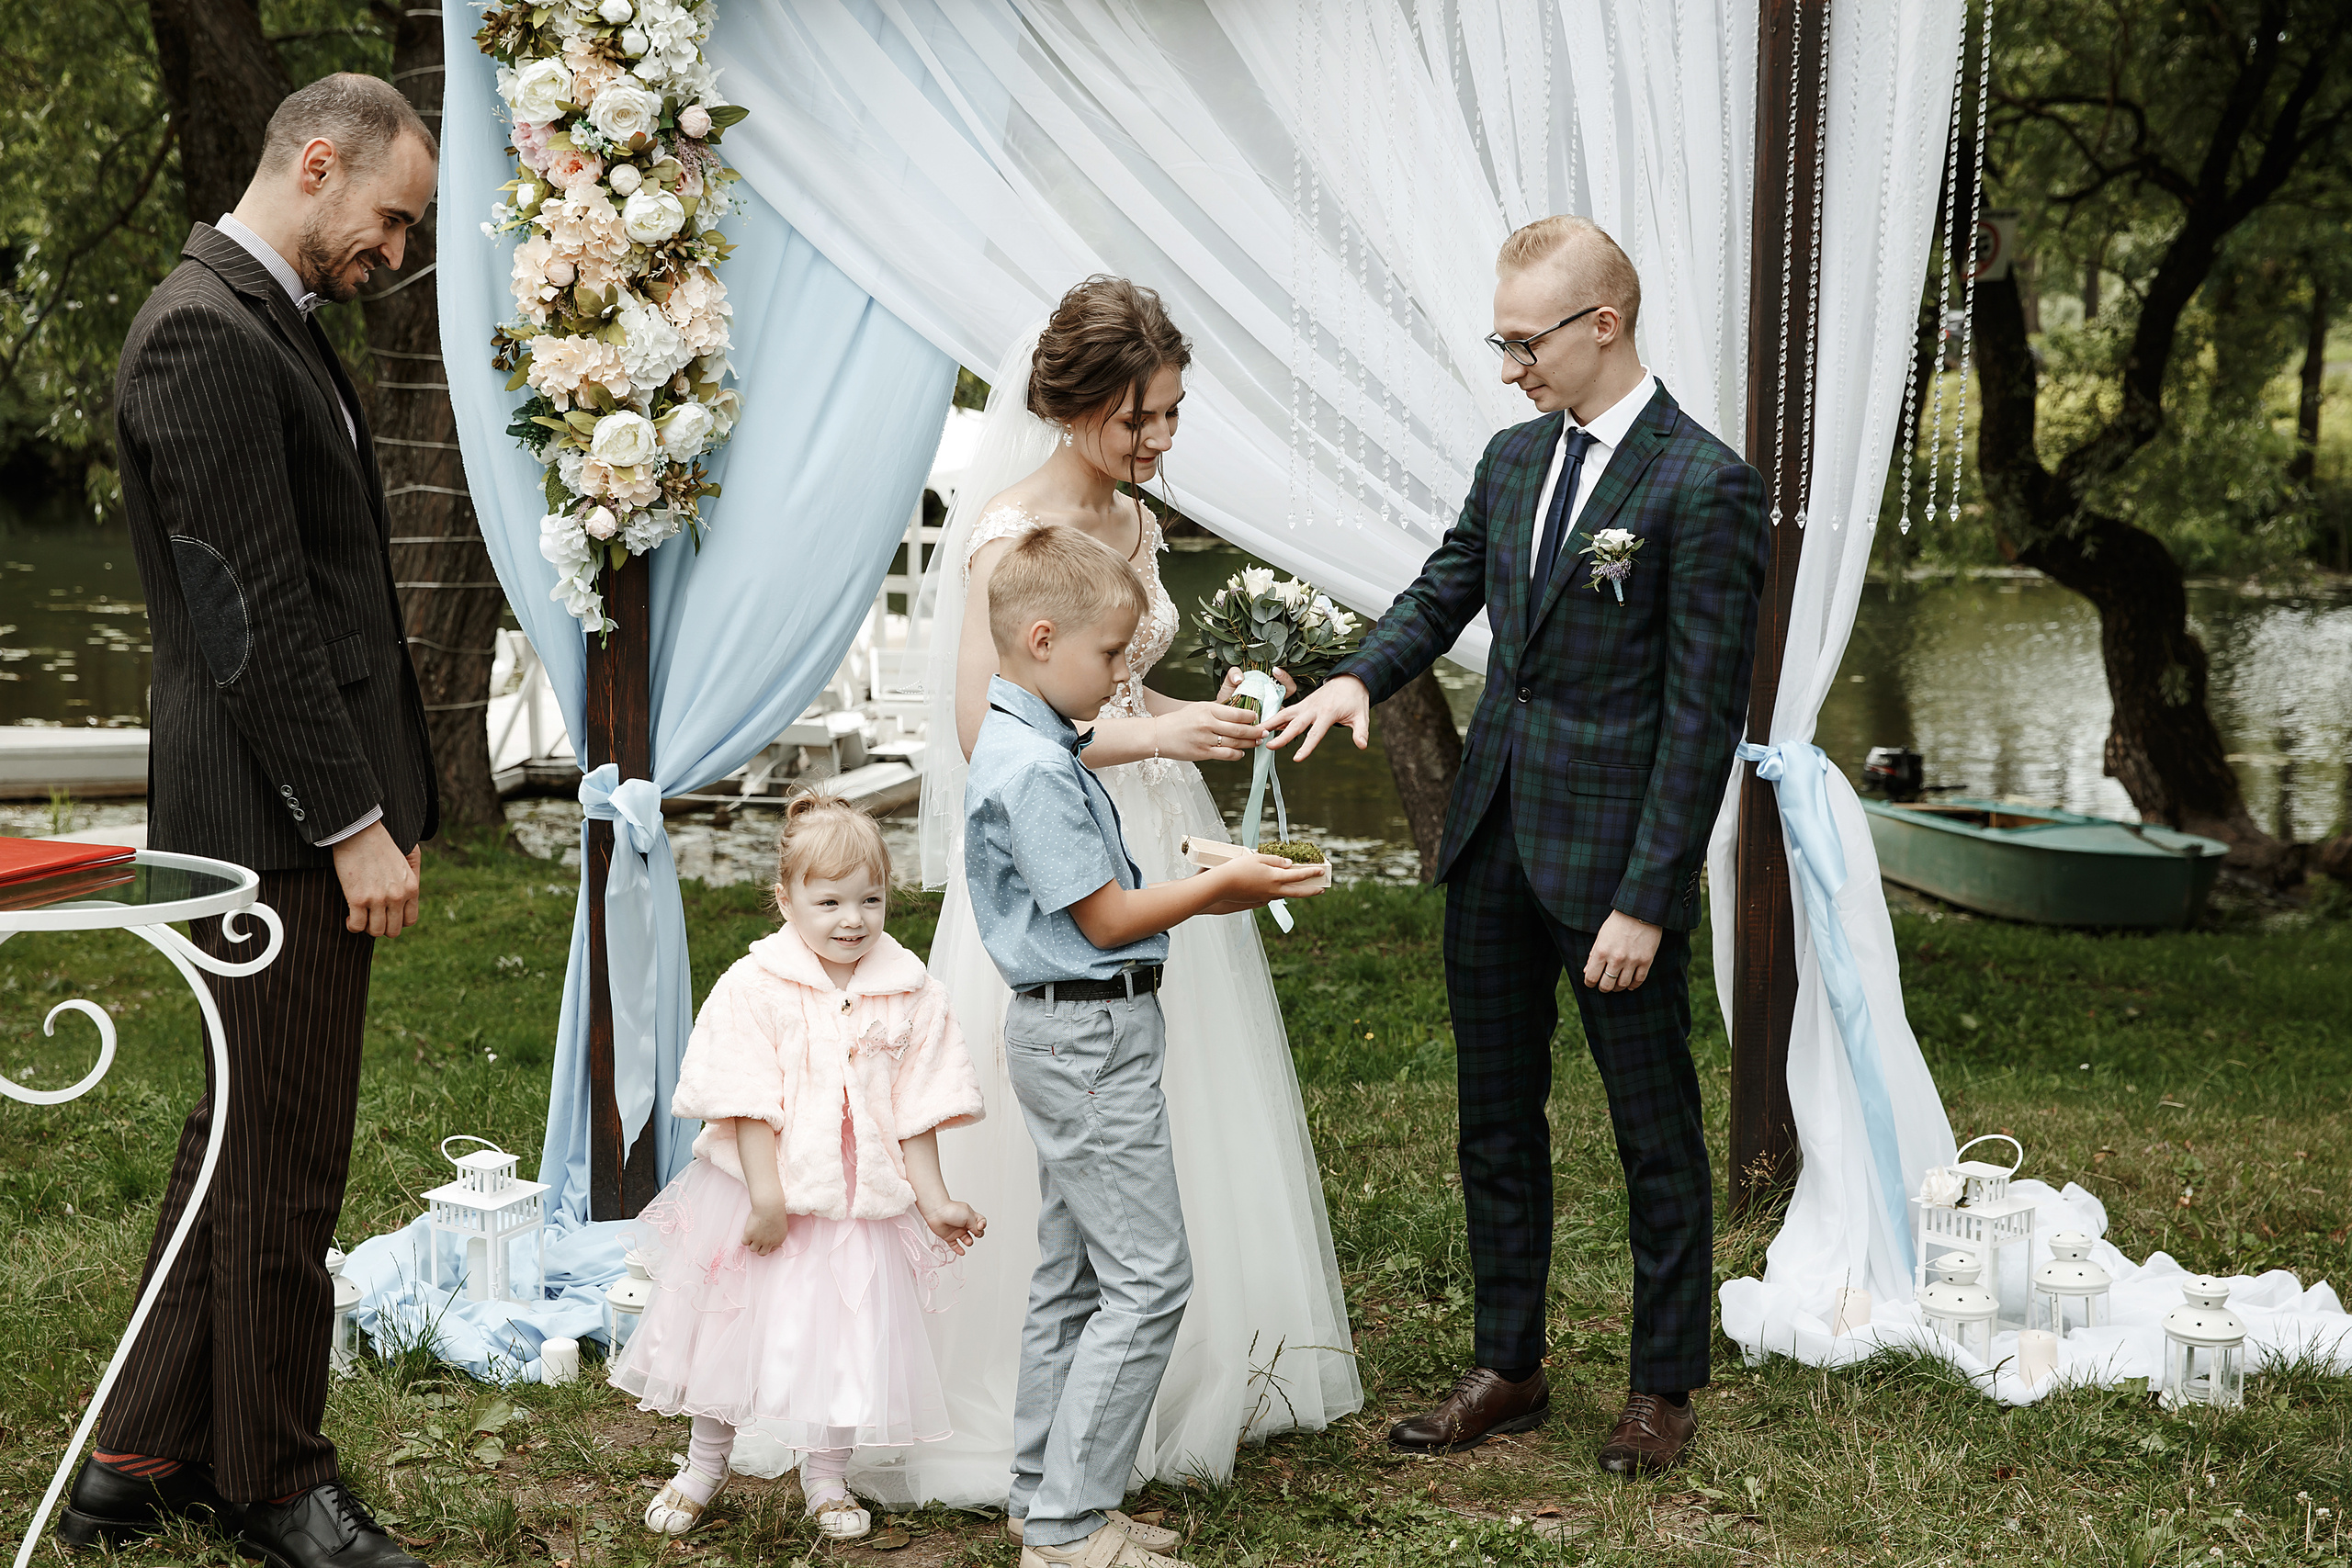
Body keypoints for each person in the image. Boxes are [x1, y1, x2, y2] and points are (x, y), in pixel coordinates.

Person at [1268, 215, 1768, 1475]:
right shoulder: (1509, 459)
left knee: (1653, 1127)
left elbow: (1702, 719)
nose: (1509, 366)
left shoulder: (1703, 485)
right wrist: (1358, 680)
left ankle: (1663, 1383)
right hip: (1493, 835)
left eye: (1523, 340)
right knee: (1494, 1113)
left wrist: (1650, 899)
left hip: (1613, 866)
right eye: (1500, 342)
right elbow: (1446, 586)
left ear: (1604, 322)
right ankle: (1511, 1359)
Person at [874, 277, 1361, 1516]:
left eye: (1171, 415)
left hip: (1155, 831)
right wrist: (1148, 743)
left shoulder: (1134, 525)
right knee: (1076, 1141)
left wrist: (1185, 721)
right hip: (1061, 867)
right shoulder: (1010, 530)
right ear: (1080, 402)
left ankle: (1186, 1370)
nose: (1157, 441)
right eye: (1141, 417)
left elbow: (1110, 682)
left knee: (1179, 1087)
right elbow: (997, 733)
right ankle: (1048, 1436)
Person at [67, 74, 442, 1568]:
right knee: (282, 1158)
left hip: (278, 820)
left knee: (241, 1136)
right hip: (270, 828)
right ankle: (277, 1480)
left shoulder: (262, 318)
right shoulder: (202, 332)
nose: (395, 252)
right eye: (392, 219)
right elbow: (251, 619)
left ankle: (142, 1450)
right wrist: (351, 821)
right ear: (318, 159)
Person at [963, 524, 1322, 1568]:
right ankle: (1068, 1531)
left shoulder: (1034, 738)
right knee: (1150, 1279)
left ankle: (1045, 1497)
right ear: (1040, 640)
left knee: (1076, 1278)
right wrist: (1224, 886)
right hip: (1085, 1039)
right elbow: (1108, 920)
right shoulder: (1032, 767)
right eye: (1110, 657)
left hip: (1083, 1034)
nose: (1125, 678)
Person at [607, 794, 989, 1544]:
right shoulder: (758, 985)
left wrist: (936, 1199)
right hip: (765, 1191)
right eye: (830, 901)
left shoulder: (911, 992)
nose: (852, 919)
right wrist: (766, 1196)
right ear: (786, 898)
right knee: (727, 1328)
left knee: (846, 1337)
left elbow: (918, 1109)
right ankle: (702, 1464)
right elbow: (746, 1102)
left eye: (870, 899)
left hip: (857, 1206)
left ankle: (825, 1472)